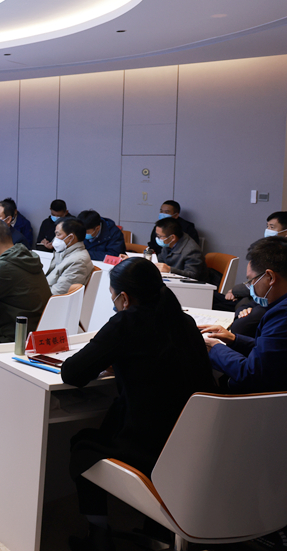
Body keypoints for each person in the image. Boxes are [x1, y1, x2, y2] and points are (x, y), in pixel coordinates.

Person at [61, 257, 213, 551]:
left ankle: (98, 536)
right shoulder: (184, 322)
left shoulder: (126, 322)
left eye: (113, 298)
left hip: (146, 448)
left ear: (124, 297)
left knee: (82, 445)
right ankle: (157, 530)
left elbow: (73, 373)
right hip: (192, 447)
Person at [201, 236, 287, 393]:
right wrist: (234, 339)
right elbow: (273, 353)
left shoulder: (281, 315)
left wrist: (214, 348)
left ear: (270, 277)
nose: (251, 287)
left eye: (251, 281)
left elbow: (251, 373)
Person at [45, 217, 94, 295]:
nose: (55, 239)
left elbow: (59, 293)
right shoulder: (64, 252)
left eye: (58, 235)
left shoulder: (78, 261)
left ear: (70, 238)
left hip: (49, 300)